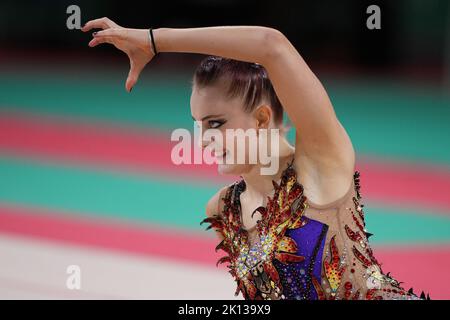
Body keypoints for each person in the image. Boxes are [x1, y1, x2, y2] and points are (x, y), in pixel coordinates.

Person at [81, 18, 427, 300]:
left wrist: (153, 40)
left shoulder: (320, 162)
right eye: (198, 125)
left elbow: (271, 45)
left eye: (216, 123)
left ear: (261, 119)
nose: (204, 140)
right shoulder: (224, 208)